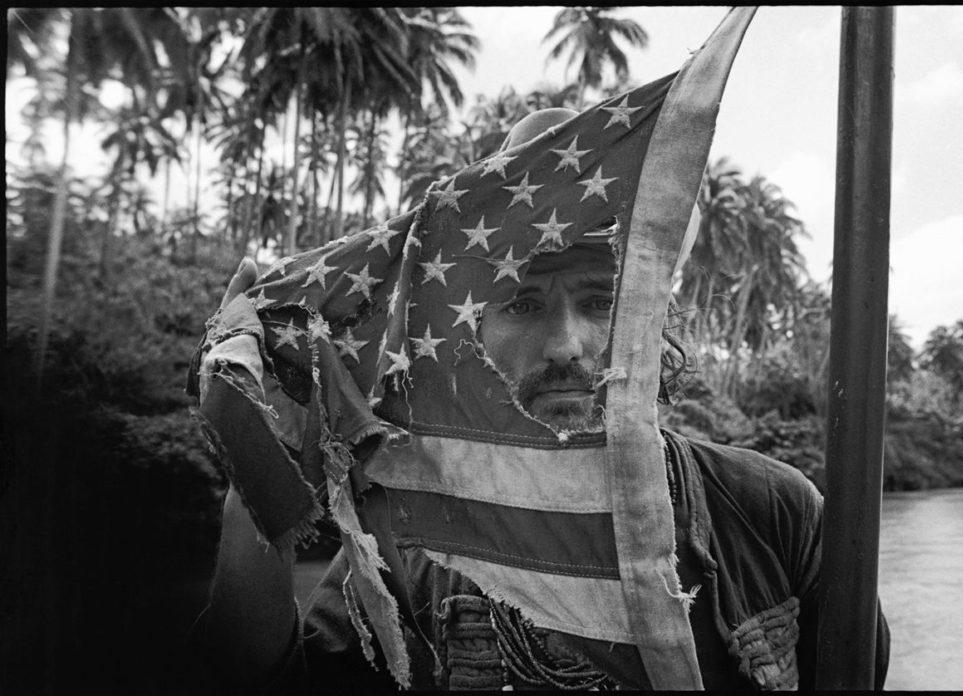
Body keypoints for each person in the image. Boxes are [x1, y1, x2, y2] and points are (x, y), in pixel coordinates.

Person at [194, 109, 890, 692]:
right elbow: (258, 677)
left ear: (651, 318)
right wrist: (257, 466)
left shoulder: (775, 512)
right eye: (523, 302)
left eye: (598, 300)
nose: (565, 345)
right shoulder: (408, 533)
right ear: (476, 335)